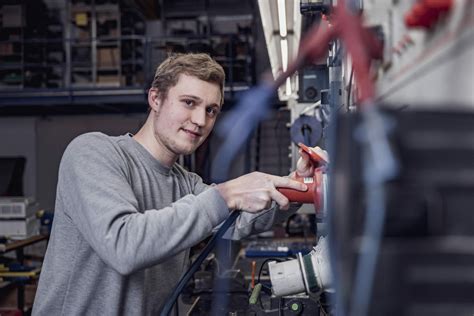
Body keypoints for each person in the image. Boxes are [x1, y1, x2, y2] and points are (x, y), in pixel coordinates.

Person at [32, 53, 315, 315]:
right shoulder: (93, 152)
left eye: (212, 110)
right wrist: (224, 194)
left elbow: (242, 221)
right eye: (189, 103)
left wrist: (301, 185)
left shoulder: (186, 183)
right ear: (155, 99)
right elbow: (123, 245)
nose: (200, 120)